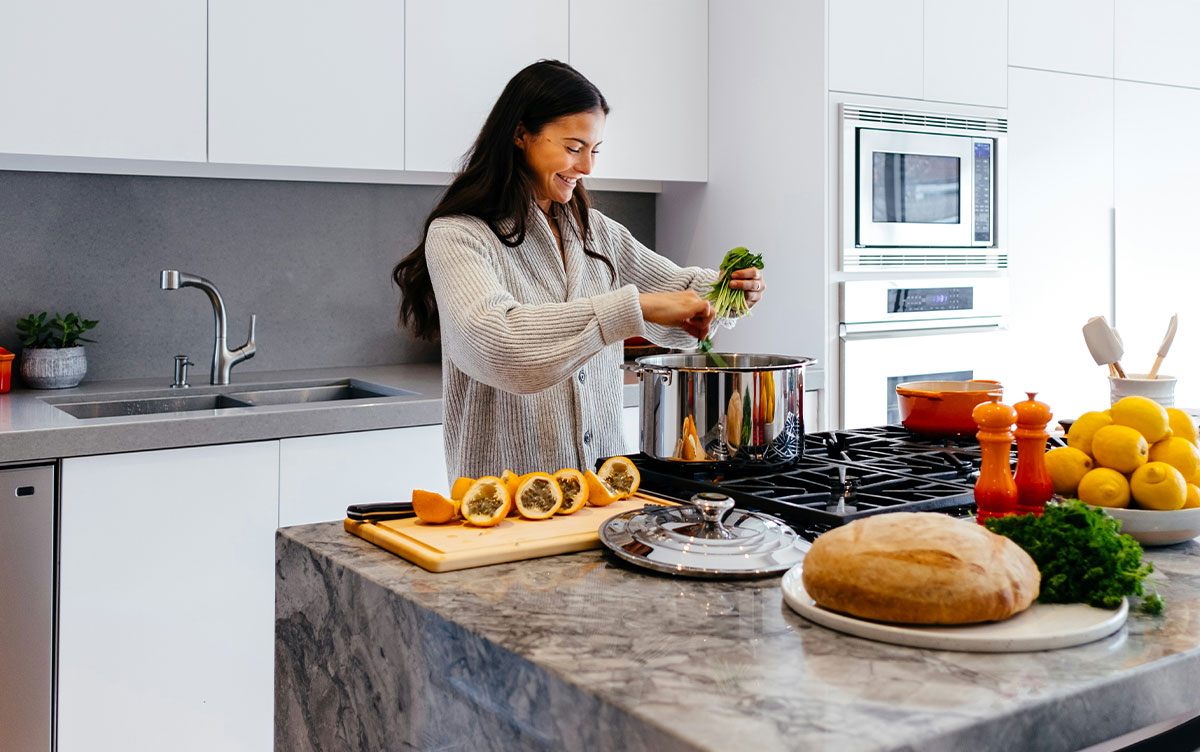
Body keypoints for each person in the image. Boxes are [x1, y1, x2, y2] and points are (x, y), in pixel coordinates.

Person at [392, 60, 765, 481]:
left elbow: (679, 292)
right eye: (573, 148)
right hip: (506, 497)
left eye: (594, 150)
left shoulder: (597, 232)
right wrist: (632, 309)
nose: (587, 167)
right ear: (520, 134)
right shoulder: (459, 235)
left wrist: (729, 291)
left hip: (606, 490)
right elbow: (498, 344)